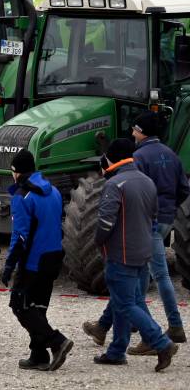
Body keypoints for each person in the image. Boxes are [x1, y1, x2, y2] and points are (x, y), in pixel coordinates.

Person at [83, 113, 189, 352]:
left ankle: (150, 336)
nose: (132, 133)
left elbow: (131, 189)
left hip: (144, 224)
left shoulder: (137, 157)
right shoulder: (171, 154)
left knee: (135, 283)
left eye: (135, 130)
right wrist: (169, 210)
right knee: (157, 277)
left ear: (142, 132)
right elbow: (184, 189)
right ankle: (173, 325)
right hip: (165, 219)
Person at [92, 138, 178, 371]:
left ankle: (161, 343)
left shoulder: (115, 184)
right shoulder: (147, 182)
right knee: (127, 302)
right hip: (143, 251)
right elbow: (153, 217)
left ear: (112, 158)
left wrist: (98, 243)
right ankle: (117, 351)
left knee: (125, 303)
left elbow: (106, 222)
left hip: (121, 253)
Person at [1, 149, 72, 370]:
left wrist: (10, 264)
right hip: (54, 256)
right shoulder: (54, 192)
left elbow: (20, 235)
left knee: (20, 306)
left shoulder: (22, 196)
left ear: (17, 172)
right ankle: (38, 355)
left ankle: (57, 341)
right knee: (38, 307)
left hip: (33, 260)